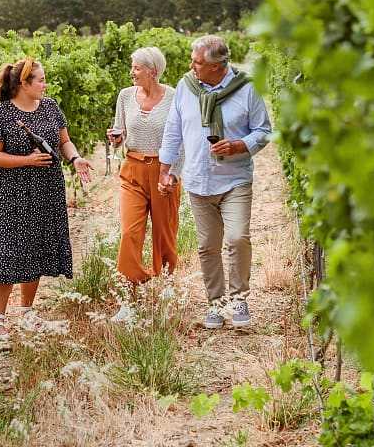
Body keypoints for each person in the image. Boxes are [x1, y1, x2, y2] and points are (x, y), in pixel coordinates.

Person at [0, 57, 93, 344]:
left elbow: (64, 141)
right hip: (11, 194)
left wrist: (75, 158)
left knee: (36, 248)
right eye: (40, 80)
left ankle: (27, 311)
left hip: (46, 190)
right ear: (23, 84)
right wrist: (27, 160)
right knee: (5, 250)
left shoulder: (51, 107)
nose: (45, 84)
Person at [158, 35, 271, 329]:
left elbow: (263, 131)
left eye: (197, 62)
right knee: (208, 246)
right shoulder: (186, 86)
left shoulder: (246, 89)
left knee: (237, 238)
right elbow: (173, 130)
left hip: (234, 179)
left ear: (218, 66)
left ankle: (239, 299)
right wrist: (166, 169)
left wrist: (239, 145)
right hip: (198, 179)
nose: (191, 66)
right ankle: (216, 303)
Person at [108, 46, 181, 290]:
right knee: (130, 232)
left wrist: (173, 173)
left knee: (165, 234)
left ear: (153, 71)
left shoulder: (173, 97)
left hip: (163, 169)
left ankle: (168, 285)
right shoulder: (125, 96)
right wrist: (116, 139)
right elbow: (120, 131)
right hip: (133, 170)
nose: (132, 72)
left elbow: (181, 138)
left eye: (136, 68)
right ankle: (132, 285)